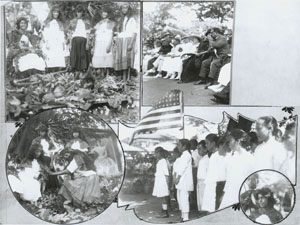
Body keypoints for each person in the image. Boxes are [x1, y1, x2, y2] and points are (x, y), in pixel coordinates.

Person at [220, 130, 254, 209]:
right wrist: (224, 194)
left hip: (241, 194)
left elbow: (251, 181)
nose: (228, 143)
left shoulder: (249, 158)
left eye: (230, 140)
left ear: (238, 141)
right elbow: (229, 178)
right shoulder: (233, 157)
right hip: (230, 194)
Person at [113, 3, 137, 81]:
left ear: (129, 9)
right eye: (123, 8)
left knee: (128, 59)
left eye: (126, 8)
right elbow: (117, 31)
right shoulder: (120, 19)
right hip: (120, 40)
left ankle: (128, 77)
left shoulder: (132, 19)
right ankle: (122, 78)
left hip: (128, 39)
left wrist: (130, 44)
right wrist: (116, 39)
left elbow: (134, 32)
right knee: (121, 58)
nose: (124, 10)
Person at [42, 5, 67, 72]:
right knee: (50, 58)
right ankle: (49, 71)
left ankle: (56, 72)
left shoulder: (60, 23)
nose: (56, 14)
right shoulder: (47, 22)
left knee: (57, 58)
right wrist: (47, 42)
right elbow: (45, 33)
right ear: (52, 13)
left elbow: (61, 33)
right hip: (50, 42)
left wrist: (63, 43)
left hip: (58, 42)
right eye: (54, 12)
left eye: (57, 12)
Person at [92, 8, 115, 75]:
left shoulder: (111, 23)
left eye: (105, 12)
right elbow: (96, 32)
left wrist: (109, 44)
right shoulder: (100, 23)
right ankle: (101, 74)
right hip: (99, 42)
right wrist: (94, 45)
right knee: (100, 57)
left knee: (107, 57)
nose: (104, 14)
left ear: (108, 14)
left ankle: (107, 75)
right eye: (102, 12)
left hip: (106, 42)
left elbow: (111, 34)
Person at [68, 5, 91, 72]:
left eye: (80, 12)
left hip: (83, 40)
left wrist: (87, 43)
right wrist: (70, 43)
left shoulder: (86, 21)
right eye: (78, 12)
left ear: (83, 13)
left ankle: (83, 70)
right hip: (74, 40)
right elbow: (70, 34)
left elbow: (88, 33)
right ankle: (74, 70)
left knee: (83, 55)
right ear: (76, 12)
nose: (79, 14)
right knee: (74, 56)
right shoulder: (72, 21)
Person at [175, 139, 193, 221]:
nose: (177, 147)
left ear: (184, 146)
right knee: (180, 199)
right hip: (182, 181)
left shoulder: (187, 155)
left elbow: (182, 168)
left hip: (184, 181)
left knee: (184, 199)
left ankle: (186, 218)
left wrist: (177, 177)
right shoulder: (184, 155)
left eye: (179, 145)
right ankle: (182, 216)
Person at [152, 147, 170, 218]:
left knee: (163, 197)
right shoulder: (160, 161)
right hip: (159, 181)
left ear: (159, 153)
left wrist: (167, 184)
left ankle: (165, 212)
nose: (155, 154)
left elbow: (166, 174)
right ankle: (163, 211)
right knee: (162, 197)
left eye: (156, 153)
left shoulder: (163, 161)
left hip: (163, 181)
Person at [196, 140, 209, 212]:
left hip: (205, 182)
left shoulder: (207, 159)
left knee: (204, 200)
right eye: (197, 149)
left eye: (200, 149)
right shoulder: (202, 159)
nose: (198, 151)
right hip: (200, 182)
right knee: (200, 200)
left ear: (205, 149)